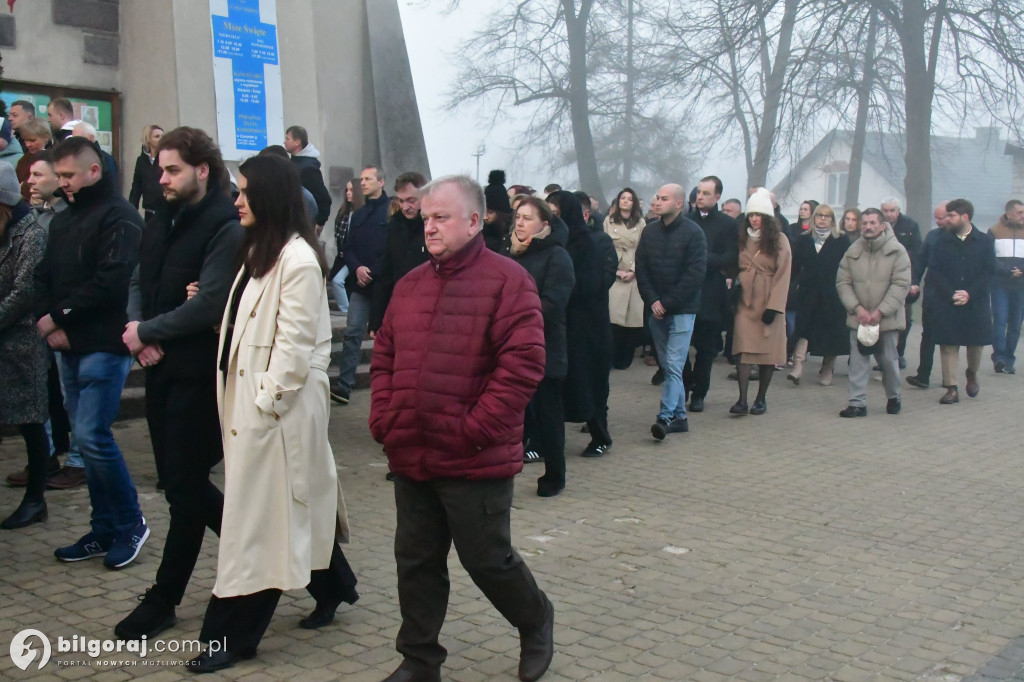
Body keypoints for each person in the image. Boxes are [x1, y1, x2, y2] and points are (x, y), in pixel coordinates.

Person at [369, 175, 553, 682]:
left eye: (440, 217)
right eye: (426, 217)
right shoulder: (410, 284)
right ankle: (419, 660)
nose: (428, 226)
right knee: (417, 561)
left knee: (487, 559)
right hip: (412, 450)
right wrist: (385, 417)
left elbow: (523, 365)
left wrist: (475, 428)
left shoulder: (508, 280)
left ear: (474, 221)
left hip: (473, 456)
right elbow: (384, 354)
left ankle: (535, 618)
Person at [188, 154, 357, 673]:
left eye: (244, 192)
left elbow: (294, 347)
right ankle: (335, 585)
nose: (236, 200)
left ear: (270, 197)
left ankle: (231, 638)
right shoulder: (260, 252)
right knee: (289, 512)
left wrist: (265, 404)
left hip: (274, 416)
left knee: (257, 531)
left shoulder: (299, 261)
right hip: (250, 410)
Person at [114, 127, 244, 641]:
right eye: (159, 168)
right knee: (181, 487)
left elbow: (209, 303)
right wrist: (138, 334)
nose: (161, 178)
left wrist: (147, 331)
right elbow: (139, 280)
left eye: (171, 170)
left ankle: (165, 598)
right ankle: (324, 573)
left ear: (202, 170)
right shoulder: (161, 217)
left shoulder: (225, 226)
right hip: (160, 369)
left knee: (185, 486)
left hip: (199, 373)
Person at [39, 136, 148, 568]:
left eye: (68, 175)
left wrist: (61, 318)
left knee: (93, 437)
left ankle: (130, 522)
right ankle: (103, 528)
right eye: (59, 176)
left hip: (104, 343)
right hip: (69, 345)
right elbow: (48, 275)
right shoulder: (66, 219)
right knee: (86, 438)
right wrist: (52, 321)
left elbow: (110, 282)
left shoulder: (120, 217)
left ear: (93, 171)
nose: (62, 184)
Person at [510, 196, 574, 496]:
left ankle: (554, 474)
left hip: (544, 345)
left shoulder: (557, 255)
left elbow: (555, 301)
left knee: (549, 414)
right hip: (509, 346)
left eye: (527, 217)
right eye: (518, 216)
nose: (520, 222)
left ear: (544, 224)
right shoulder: (509, 252)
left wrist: (519, 313)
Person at [0, 163, 51, 529]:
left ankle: (36, 498)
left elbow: (26, 291)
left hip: (22, 341)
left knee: (32, 421)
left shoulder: (29, 233)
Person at [635, 184, 707, 438]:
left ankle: (665, 418)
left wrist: (667, 302)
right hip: (657, 310)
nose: (658, 202)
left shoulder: (694, 233)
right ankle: (680, 416)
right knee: (668, 366)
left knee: (675, 365)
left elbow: (694, 275)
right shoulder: (650, 232)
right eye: (657, 197)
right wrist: (653, 300)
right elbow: (641, 268)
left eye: (664, 198)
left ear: (678, 204)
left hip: (682, 311)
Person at [550, 190, 617, 456]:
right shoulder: (552, 242)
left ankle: (600, 435)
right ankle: (546, 440)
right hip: (560, 322)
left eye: (555, 213)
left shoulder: (586, 242)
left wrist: (559, 288)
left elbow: (592, 284)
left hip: (585, 324)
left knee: (588, 379)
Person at [835, 208, 911, 417]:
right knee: (858, 362)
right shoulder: (852, 252)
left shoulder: (897, 251)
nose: (868, 227)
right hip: (858, 318)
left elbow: (901, 284)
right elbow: (843, 282)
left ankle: (893, 395)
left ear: (882, 226)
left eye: (872, 223)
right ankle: (857, 403)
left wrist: (881, 311)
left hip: (886, 319)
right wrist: (857, 308)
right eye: (865, 223)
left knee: (888, 361)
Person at [926, 198, 996, 404]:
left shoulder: (984, 241)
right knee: (948, 344)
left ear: (964, 217)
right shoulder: (941, 240)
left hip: (975, 301)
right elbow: (935, 271)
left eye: (951, 215)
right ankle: (951, 388)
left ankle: (972, 372)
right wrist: (951, 293)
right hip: (948, 300)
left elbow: (989, 272)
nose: (946, 219)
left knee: (975, 344)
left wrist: (969, 293)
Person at [330, 165, 389, 405]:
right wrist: (357, 268)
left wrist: (373, 271)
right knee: (353, 331)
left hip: (383, 285)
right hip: (361, 284)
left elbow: (391, 249)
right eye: (361, 179)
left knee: (385, 337)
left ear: (381, 182)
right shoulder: (359, 213)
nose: (362, 183)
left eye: (368, 179)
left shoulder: (390, 212)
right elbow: (348, 248)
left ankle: (387, 388)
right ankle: (344, 385)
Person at [729, 188, 791, 416]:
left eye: (759, 215)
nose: (754, 219)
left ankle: (761, 398)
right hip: (745, 299)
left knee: (768, 352)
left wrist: (774, 306)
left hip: (767, 297)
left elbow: (783, 274)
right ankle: (742, 399)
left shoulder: (780, 240)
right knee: (743, 348)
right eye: (751, 214)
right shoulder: (742, 238)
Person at [684, 175, 738, 411]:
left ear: (717, 197)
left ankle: (699, 393)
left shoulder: (727, 224)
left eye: (706, 193)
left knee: (706, 349)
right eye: (698, 192)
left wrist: (701, 260)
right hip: (685, 291)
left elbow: (730, 257)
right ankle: (684, 386)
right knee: (681, 347)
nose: (700, 197)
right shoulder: (685, 221)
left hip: (711, 293)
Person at [787, 204, 851, 386]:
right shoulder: (804, 239)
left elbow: (848, 267)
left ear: (832, 219)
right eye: (819, 215)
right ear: (814, 218)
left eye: (827, 216)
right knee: (803, 329)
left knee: (830, 333)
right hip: (808, 292)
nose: (823, 219)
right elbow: (795, 266)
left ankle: (827, 368)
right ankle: (798, 367)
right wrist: (791, 285)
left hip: (832, 294)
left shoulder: (841, 240)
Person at [369, 172, 428, 335]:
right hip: (401, 307)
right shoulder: (395, 225)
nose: (405, 206)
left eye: (411, 200)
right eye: (401, 201)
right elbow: (386, 273)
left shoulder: (434, 227)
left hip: (428, 309)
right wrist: (376, 318)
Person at [906, 201, 950, 389]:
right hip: (932, 295)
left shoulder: (959, 240)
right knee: (928, 335)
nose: (938, 222)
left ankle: (950, 379)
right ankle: (923, 375)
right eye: (936, 218)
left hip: (951, 297)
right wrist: (914, 281)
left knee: (949, 339)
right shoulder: (932, 237)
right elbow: (920, 261)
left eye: (941, 218)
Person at [605, 187, 647, 369]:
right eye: (623, 197)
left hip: (633, 272)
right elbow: (605, 246)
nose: (626, 201)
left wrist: (634, 270)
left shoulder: (641, 223)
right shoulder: (609, 221)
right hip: (614, 271)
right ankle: (611, 357)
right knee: (613, 318)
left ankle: (625, 357)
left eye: (630, 198)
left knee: (632, 319)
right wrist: (615, 270)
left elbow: (643, 249)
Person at [880, 198, 922, 369]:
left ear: (898, 211)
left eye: (892, 210)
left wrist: (914, 281)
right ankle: (883, 355)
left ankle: (899, 353)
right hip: (882, 278)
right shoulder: (877, 225)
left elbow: (918, 255)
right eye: (886, 210)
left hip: (904, 278)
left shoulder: (910, 226)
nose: (889, 214)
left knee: (905, 318)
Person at [988, 198, 1024, 374]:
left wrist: (1021, 271)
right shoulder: (994, 231)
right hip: (1000, 284)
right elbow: (989, 257)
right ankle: (999, 357)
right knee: (1000, 320)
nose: (1023, 215)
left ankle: (1009, 358)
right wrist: (1008, 271)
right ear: (1008, 213)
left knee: (1016, 324)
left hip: (1021, 285)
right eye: (1020, 212)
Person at [284, 125, 332, 230]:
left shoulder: (308, 168)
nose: (284, 142)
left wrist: (319, 223)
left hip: (304, 225)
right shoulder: (293, 162)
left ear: (297, 142)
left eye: (287, 139)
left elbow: (324, 198)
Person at [327, 180, 362, 313]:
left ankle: (346, 310)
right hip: (343, 255)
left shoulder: (361, 213)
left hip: (355, 256)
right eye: (347, 190)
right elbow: (339, 234)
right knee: (337, 280)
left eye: (351, 190)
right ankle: (345, 310)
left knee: (338, 281)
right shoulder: (344, 212)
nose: (348, 193)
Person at [129, 124, 166, 220]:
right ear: (148, 139)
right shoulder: (141, 161)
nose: (161, 139)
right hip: (149, 212)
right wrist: (131, 211)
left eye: (163, 136)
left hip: (165, 211)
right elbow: (136, 187)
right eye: (157, 136)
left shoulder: (166, 158)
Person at [71, 121, 119, 189]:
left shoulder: (106, 160)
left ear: (91, 138)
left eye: (78, 139)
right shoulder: (74, 159)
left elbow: (111, 187)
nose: (74, 143)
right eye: (73, 139)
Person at [15, 118, 51, 200]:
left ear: (46, 137)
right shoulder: (23, 160)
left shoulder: (52, 158)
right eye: (26, 140)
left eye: (32, 140)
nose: (28, 144)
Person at [483, 169, 513, 253]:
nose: (485, 217)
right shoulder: (478, 233)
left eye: (490, 212)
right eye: (483, 211)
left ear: (501, 213)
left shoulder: (514, 235)